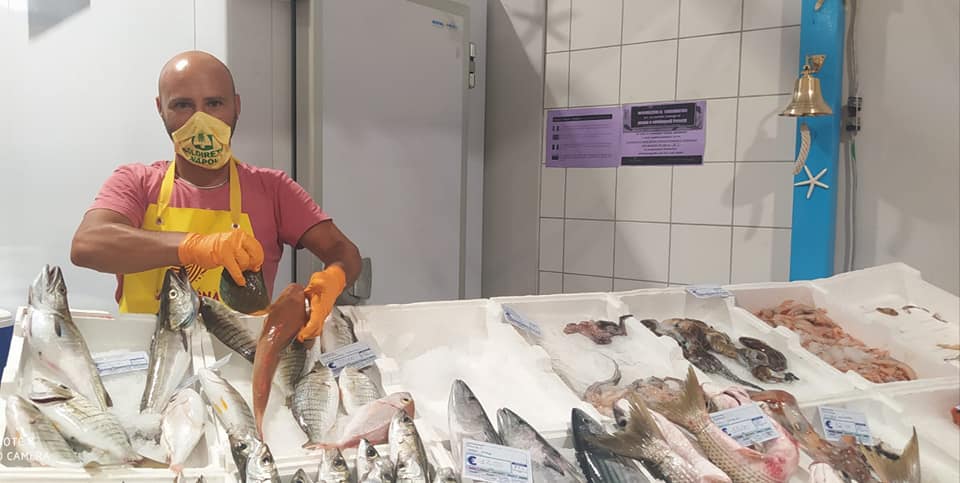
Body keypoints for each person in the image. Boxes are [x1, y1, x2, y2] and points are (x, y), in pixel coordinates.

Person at [71, 50, 360, 341]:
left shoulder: (273, 189)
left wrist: (332, 279)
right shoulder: (137, 182)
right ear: (160, 109)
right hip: (146, 357)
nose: (201, 120)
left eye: (214, 103)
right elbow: (86, 244)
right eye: (183, 105)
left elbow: (344, 252)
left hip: (242, 358)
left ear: (236, 106)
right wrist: (194, 247)